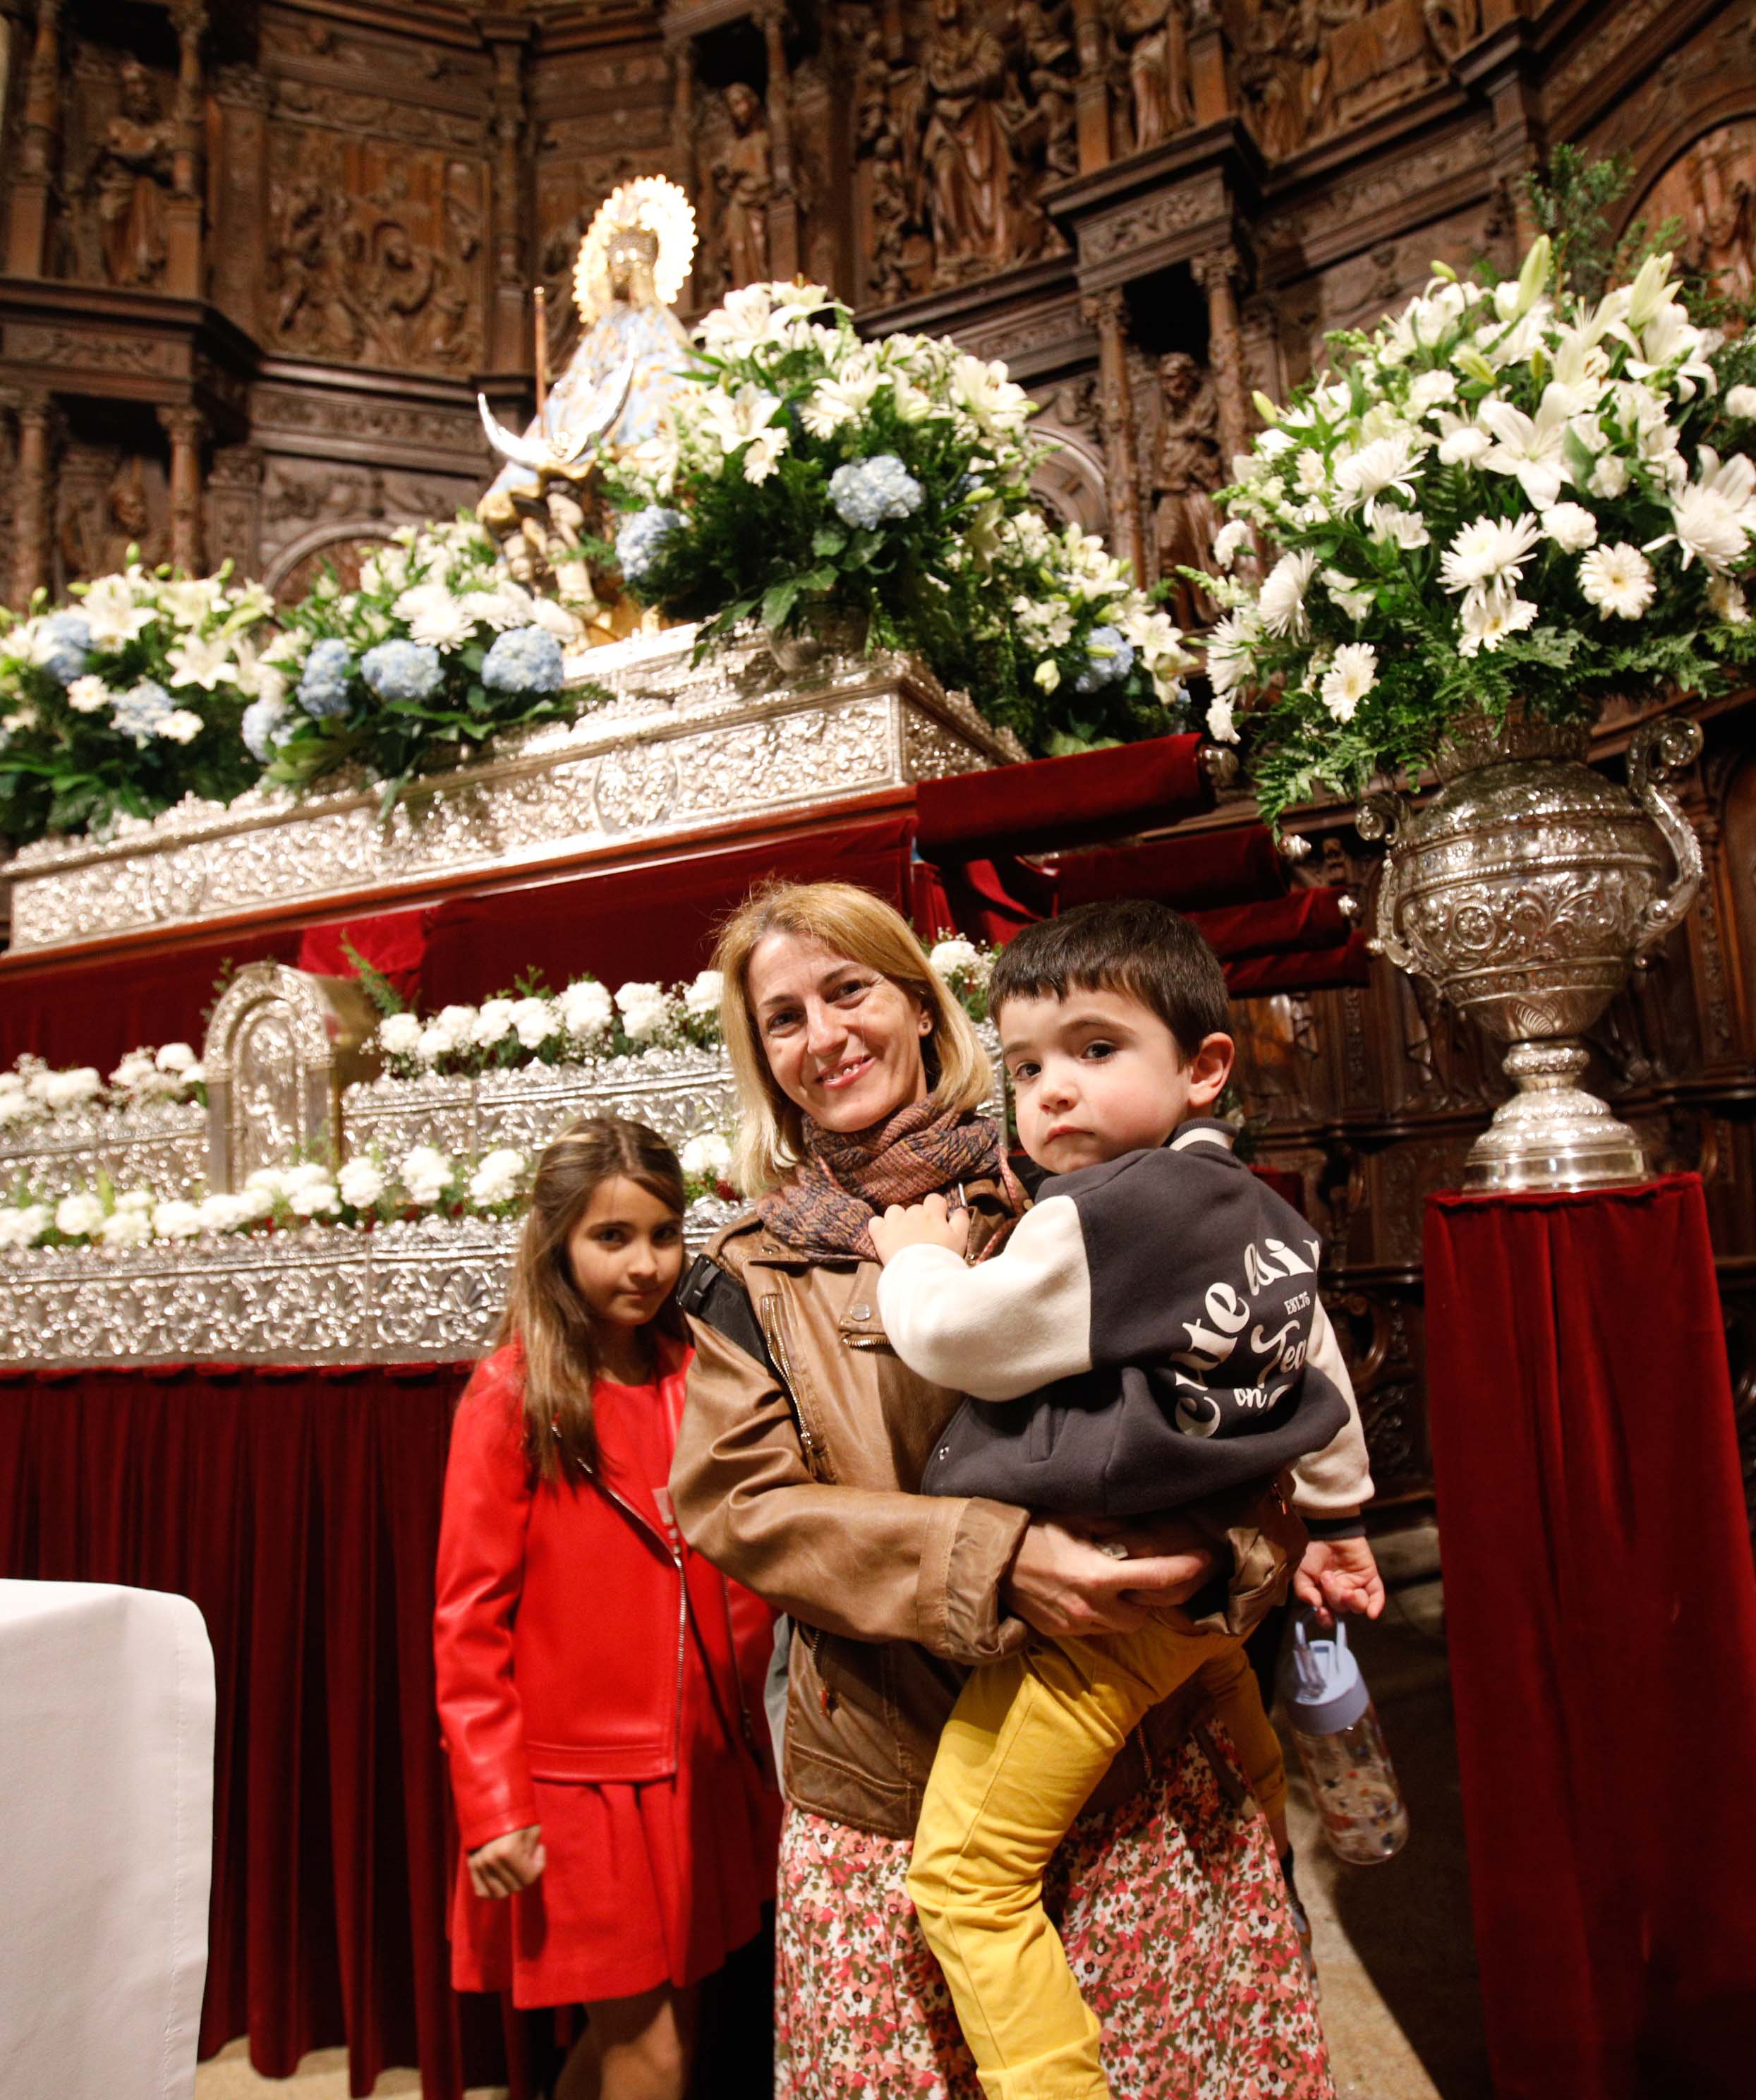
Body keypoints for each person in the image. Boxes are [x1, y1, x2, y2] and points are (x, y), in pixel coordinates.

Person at [670, 881, 1335, 2099]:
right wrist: (994, 1559)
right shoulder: (750, 1269)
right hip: (897, 1785)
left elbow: (1245, 1408)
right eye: (782, 1018)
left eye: (848, 990)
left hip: (1136, 1770)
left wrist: (1218, 1558)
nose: (823, 1037)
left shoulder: (1077, 1180)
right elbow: (739, 1506)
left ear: (920, 1006)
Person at [868, 899, 1383, 2099]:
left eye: (1096, 1052)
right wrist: (1343, 1521)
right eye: (1028, 1066)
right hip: (1214, 1605)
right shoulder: (1261, 1211)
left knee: (965, 1878)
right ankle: (1266, 1963)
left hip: (1099, 1611)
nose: (1052, 1092)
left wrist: (916, 1262)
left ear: (1203, 1067)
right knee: (1249, 1776)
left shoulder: (1103, 1218)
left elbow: (960, 1338)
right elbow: (1319, 1370)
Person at [434, 1117, 780, 2100]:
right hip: (583, 1787)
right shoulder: (513, 1396)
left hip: (703, 1764)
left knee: (654, 2031)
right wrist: (495, 1805)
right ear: (557, 1242)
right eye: (612, 1238)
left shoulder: (699, 1370)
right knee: (655, 2053)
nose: (645, 1264)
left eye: (663, 1234)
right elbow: (468, 1618)